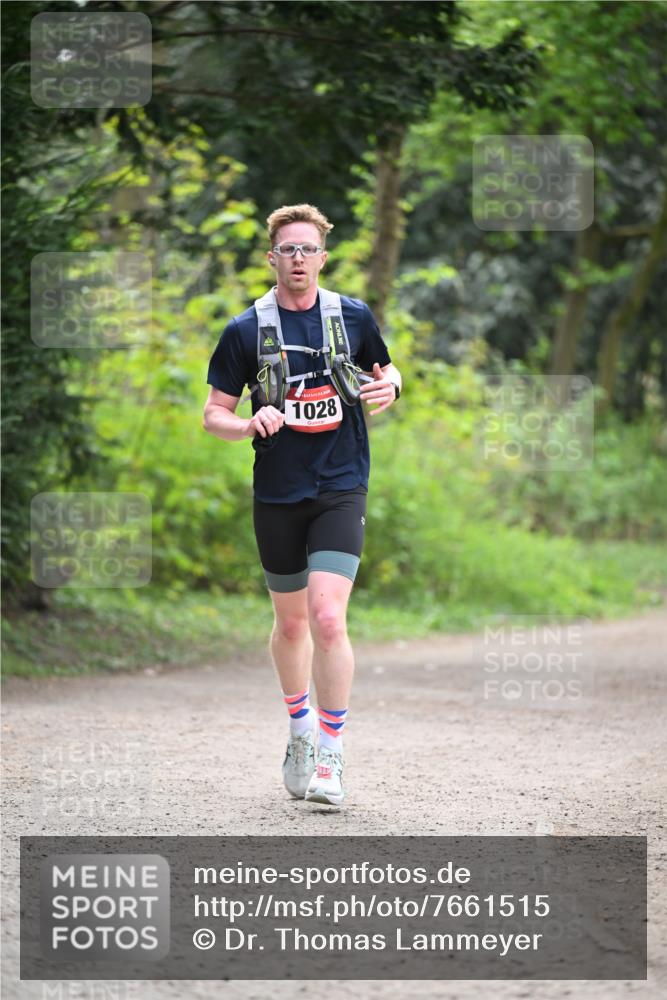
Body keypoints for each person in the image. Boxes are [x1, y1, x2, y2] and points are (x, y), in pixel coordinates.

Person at [203, 203, 401, 806]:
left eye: (307, 249)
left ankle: (332, 757)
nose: (297, 259)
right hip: (278, 491)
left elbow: (388, 373)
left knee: (327, 617)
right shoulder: (245, 330)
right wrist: (248, 423)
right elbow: (214, 414)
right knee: (290, 624)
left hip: (341, 484)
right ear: (272, 258)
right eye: (287, 249)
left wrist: (391, 385)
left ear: (322, 255)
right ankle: (300, 730)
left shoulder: (353, 316)